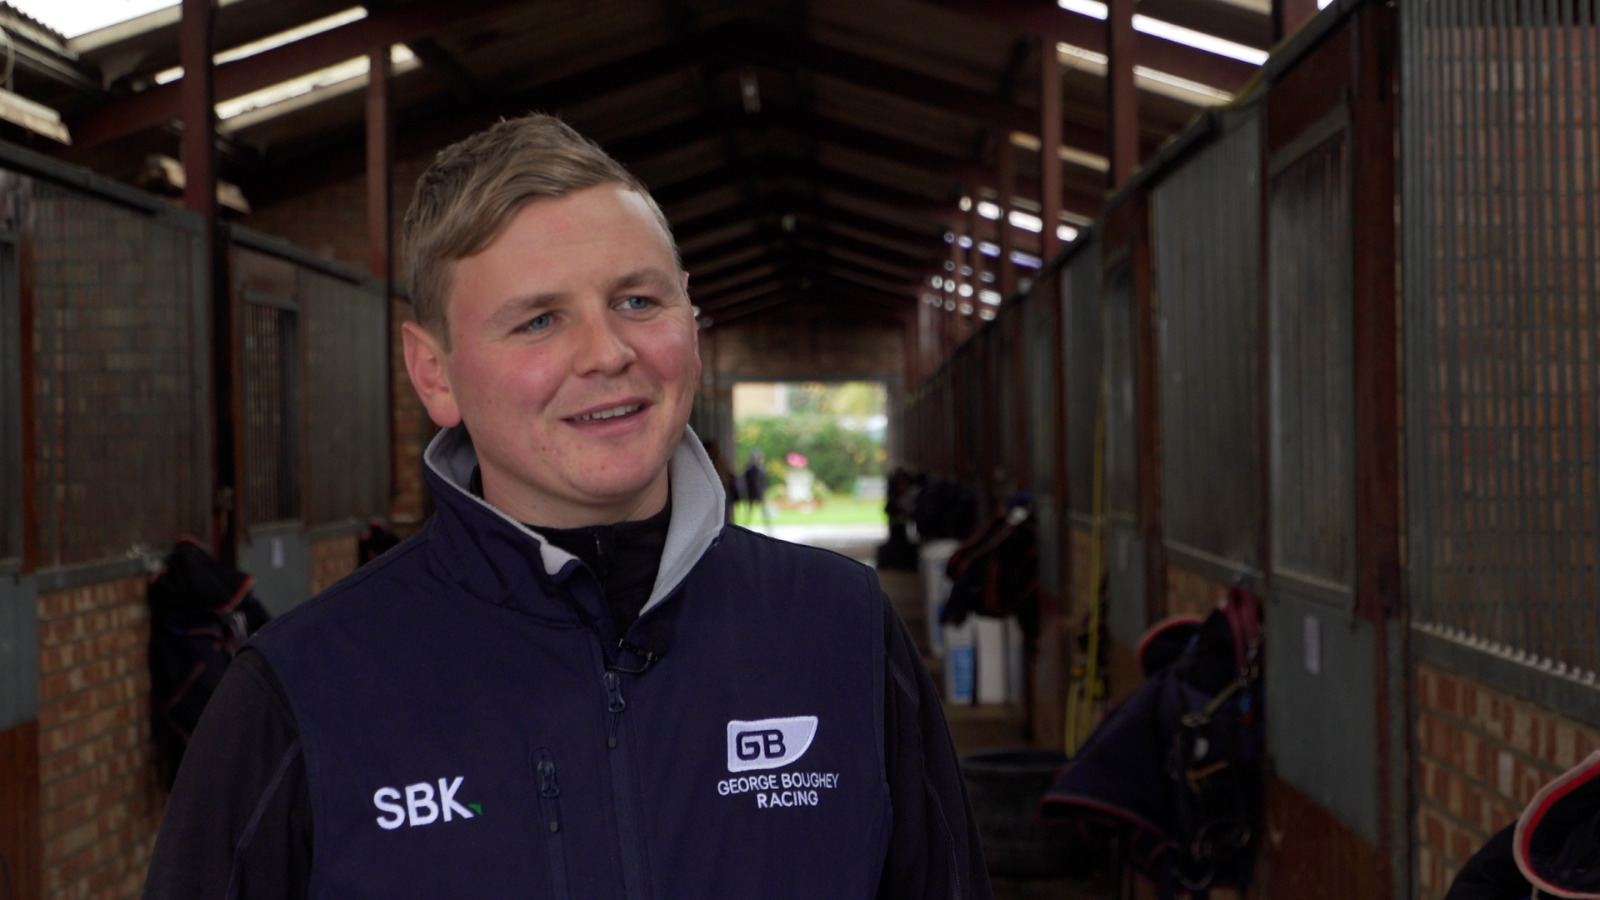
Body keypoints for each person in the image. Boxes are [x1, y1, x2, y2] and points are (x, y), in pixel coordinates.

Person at [142, 113, 990, 900]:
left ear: (690, 321)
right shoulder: (301, 694)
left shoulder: (839, 629)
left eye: (638, 301)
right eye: (540, 321)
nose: (608, 353)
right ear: (434, 373)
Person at [742, 446, 772, 527]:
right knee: (750, 510)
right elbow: (746, 481)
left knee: (763, 510)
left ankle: (767, 525)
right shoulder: (749, 470)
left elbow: (764, 481)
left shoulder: (761, 469)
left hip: (759, 492)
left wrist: (764, 489)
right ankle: (747, 524)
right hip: (751, 492)